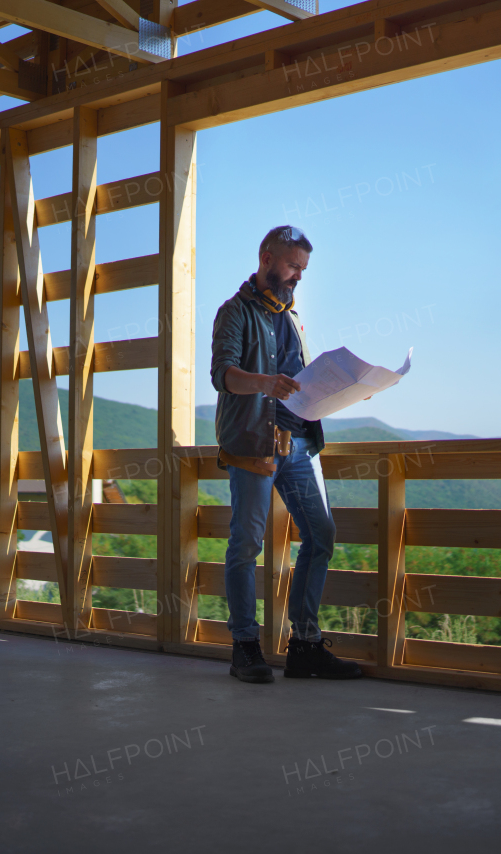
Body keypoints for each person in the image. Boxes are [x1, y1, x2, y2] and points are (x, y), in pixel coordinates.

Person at [209, 225, 362, 684]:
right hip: (253, 445)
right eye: (293, 266)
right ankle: (244, 648)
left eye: (304, 269)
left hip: (299, 446)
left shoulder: (293, 317)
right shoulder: (233, 312)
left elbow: (305, 380)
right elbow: (223, 376)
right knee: (246, 546)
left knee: (321, 534)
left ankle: (305, 648)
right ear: (266, 257)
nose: (299, 276)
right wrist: (264, 383)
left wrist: (349, 391)